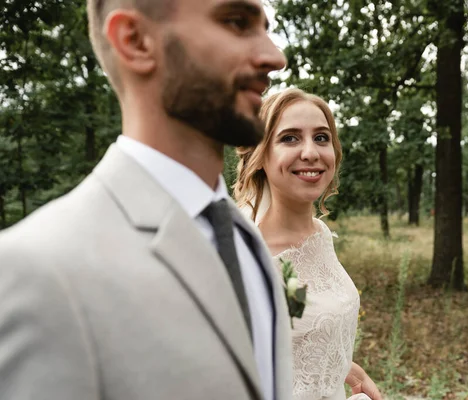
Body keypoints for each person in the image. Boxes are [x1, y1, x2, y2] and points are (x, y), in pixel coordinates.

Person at [0, 1, 293, 399]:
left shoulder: (248, 240)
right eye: (236, 22)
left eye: (265, 27)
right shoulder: (38, 269)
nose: (275, 57)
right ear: (135, 41)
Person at [234, 88, 382, 400]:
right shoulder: (246, 258)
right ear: (261, 155)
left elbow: (297, 325)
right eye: (289, 138)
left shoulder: (320, 236)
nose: (311, 152)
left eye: (321, 137)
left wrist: (345, 368)